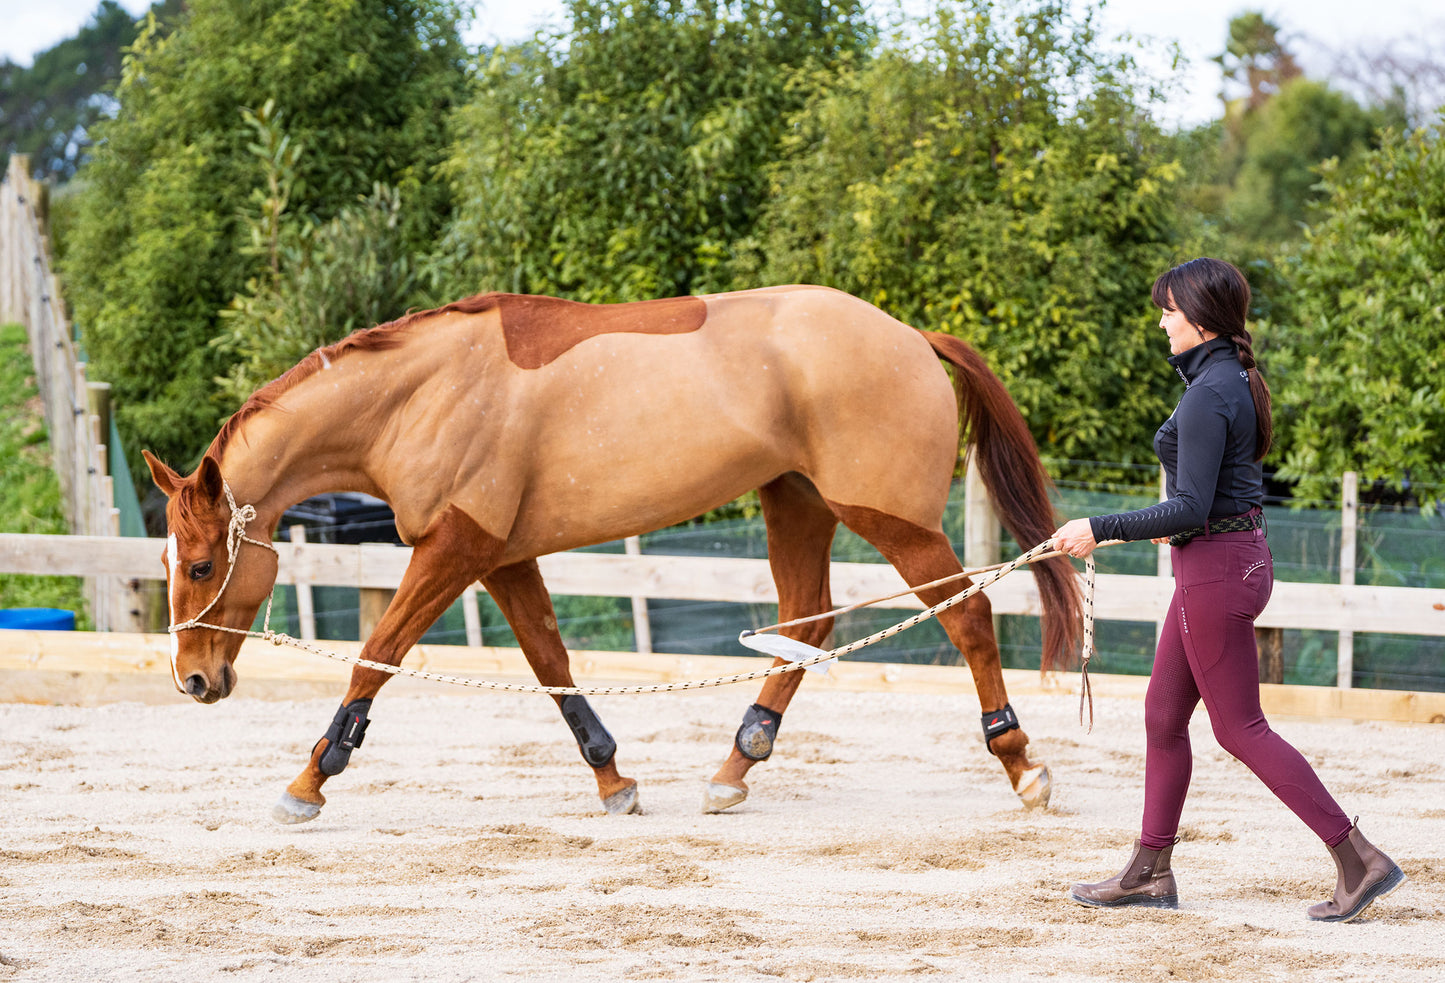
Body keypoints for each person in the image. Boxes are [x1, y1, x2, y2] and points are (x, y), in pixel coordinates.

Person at [1050, 257, 1405, 922]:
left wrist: (1098, 528)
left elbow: (1187, 506)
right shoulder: (1220, 379)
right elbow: (1202, 502)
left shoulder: (1211, 389)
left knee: (1239, 728)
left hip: (1216, 570)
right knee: (1162, 715)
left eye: (1168, 310)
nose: (1160, 320)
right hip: (1217, 560)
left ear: (1201, 317)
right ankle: (1148, 871)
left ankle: (1357, 857)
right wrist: (1172, 530)